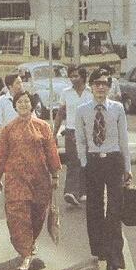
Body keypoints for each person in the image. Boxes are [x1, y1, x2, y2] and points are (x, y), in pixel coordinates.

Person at [75, 67, 132, 270]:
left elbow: (124, 140)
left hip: (114, 161)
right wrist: (84, 163)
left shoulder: (117, 109)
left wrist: (127, 168)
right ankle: (99, 248)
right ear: (91, 86)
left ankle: (114, 261)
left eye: (104, 83)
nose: (100, 87)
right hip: (93, 163)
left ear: (109, 87)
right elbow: (80, 140)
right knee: (95, 208)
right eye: (97, 83)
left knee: (115, 211)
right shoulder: (82, 110)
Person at [0, 91, 61, 270]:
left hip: (40, 180)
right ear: (15, 106)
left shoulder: (43, 127)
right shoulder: (8, 129)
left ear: (32, 105)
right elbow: (0, 156)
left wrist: (54, 175)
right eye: (19, 102)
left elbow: (51, 152)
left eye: (26, 101)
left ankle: (30, 246)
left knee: (37, 215)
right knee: (18, 217)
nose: (23, 104)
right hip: (16, 181)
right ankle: (26, 255)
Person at [53, 65, 93, 206]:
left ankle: (82, 192)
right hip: (71, 131)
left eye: (76, 76)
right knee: (73, 162)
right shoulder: (66, 93)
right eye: (71, 76)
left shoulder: (91, 92)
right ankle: (70, 192)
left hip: (88, 132)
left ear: (83, 77)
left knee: (85, 162)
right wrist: (54, 133)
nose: (73, 79)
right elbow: (60, 113)